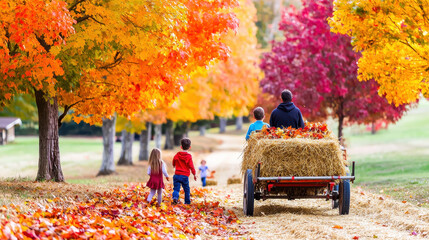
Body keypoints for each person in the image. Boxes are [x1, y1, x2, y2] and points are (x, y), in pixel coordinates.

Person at [172, 138, 197, 204]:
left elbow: (174, 161)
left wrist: (174, 165)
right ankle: (187, 202)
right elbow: (191, 166)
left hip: (177, 175)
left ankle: (175, 197)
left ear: (181, 147)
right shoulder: (189, 156)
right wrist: (194, 174)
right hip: (185, 176)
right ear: (190, 147)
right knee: (186, 189)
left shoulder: (177, 154)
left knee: (176, 189)